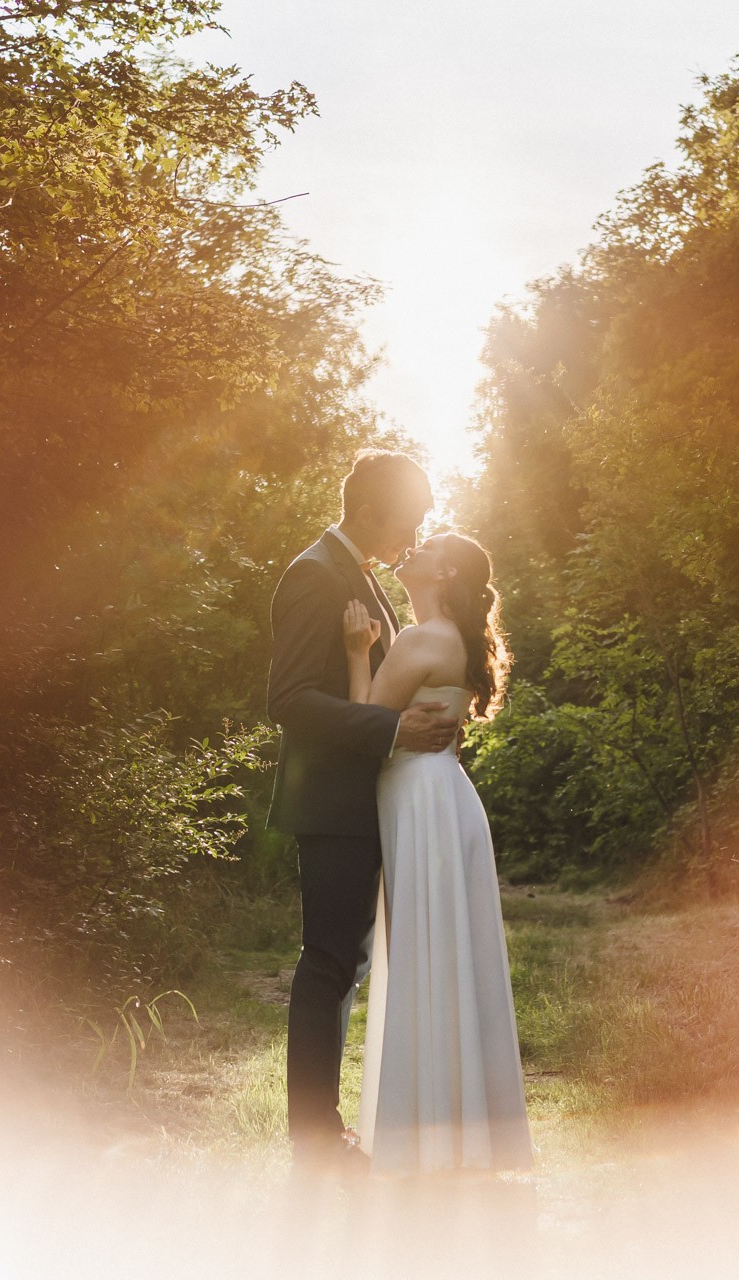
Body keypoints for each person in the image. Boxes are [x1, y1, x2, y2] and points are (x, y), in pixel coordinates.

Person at [266, 450, 460, 1175]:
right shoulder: (314, 574)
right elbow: (289, 700)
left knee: (345, 963)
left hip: (363, 800)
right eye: (412, 514)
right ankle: (314, 1139)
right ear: (372, 509)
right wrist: (392, 730)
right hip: (333, 804)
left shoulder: (360, 575)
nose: (418, 529)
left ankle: (326, 1131)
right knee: (327, 963)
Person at [341, 532, 532, 1176]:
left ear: (446, 572)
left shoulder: (423, 639)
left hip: (421, 798)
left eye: (427, 546)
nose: (412, 549)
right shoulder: (443, 637)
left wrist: (355, 653)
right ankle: (455, 1130)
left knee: (428, 949)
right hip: (442, 794)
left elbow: (364, 721)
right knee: (448, 953)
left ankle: (430, 1135)